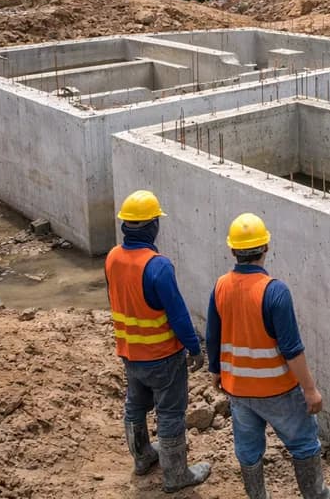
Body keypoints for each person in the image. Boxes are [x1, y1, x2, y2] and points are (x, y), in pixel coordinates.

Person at [207, 213, 330, 499]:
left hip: (239, 388)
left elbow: (213, 335)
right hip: (276, 390)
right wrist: (310, 390)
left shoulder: (221, 285)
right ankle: (318, 495)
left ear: (233, 250)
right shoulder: (275, 292)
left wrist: (215, 372)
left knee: (248, 449)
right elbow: (291, 348)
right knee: (304, 442)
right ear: (266, 248)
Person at [105, 189, 211, 492]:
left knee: (135, 405)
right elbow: (177, 314)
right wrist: (193, 347)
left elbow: (116, 298)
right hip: (162, 355)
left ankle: (142, 458)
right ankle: (176, 475)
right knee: (170, 413)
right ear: (153, 226)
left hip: (130, 352)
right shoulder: (158, 266)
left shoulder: (112, 258)